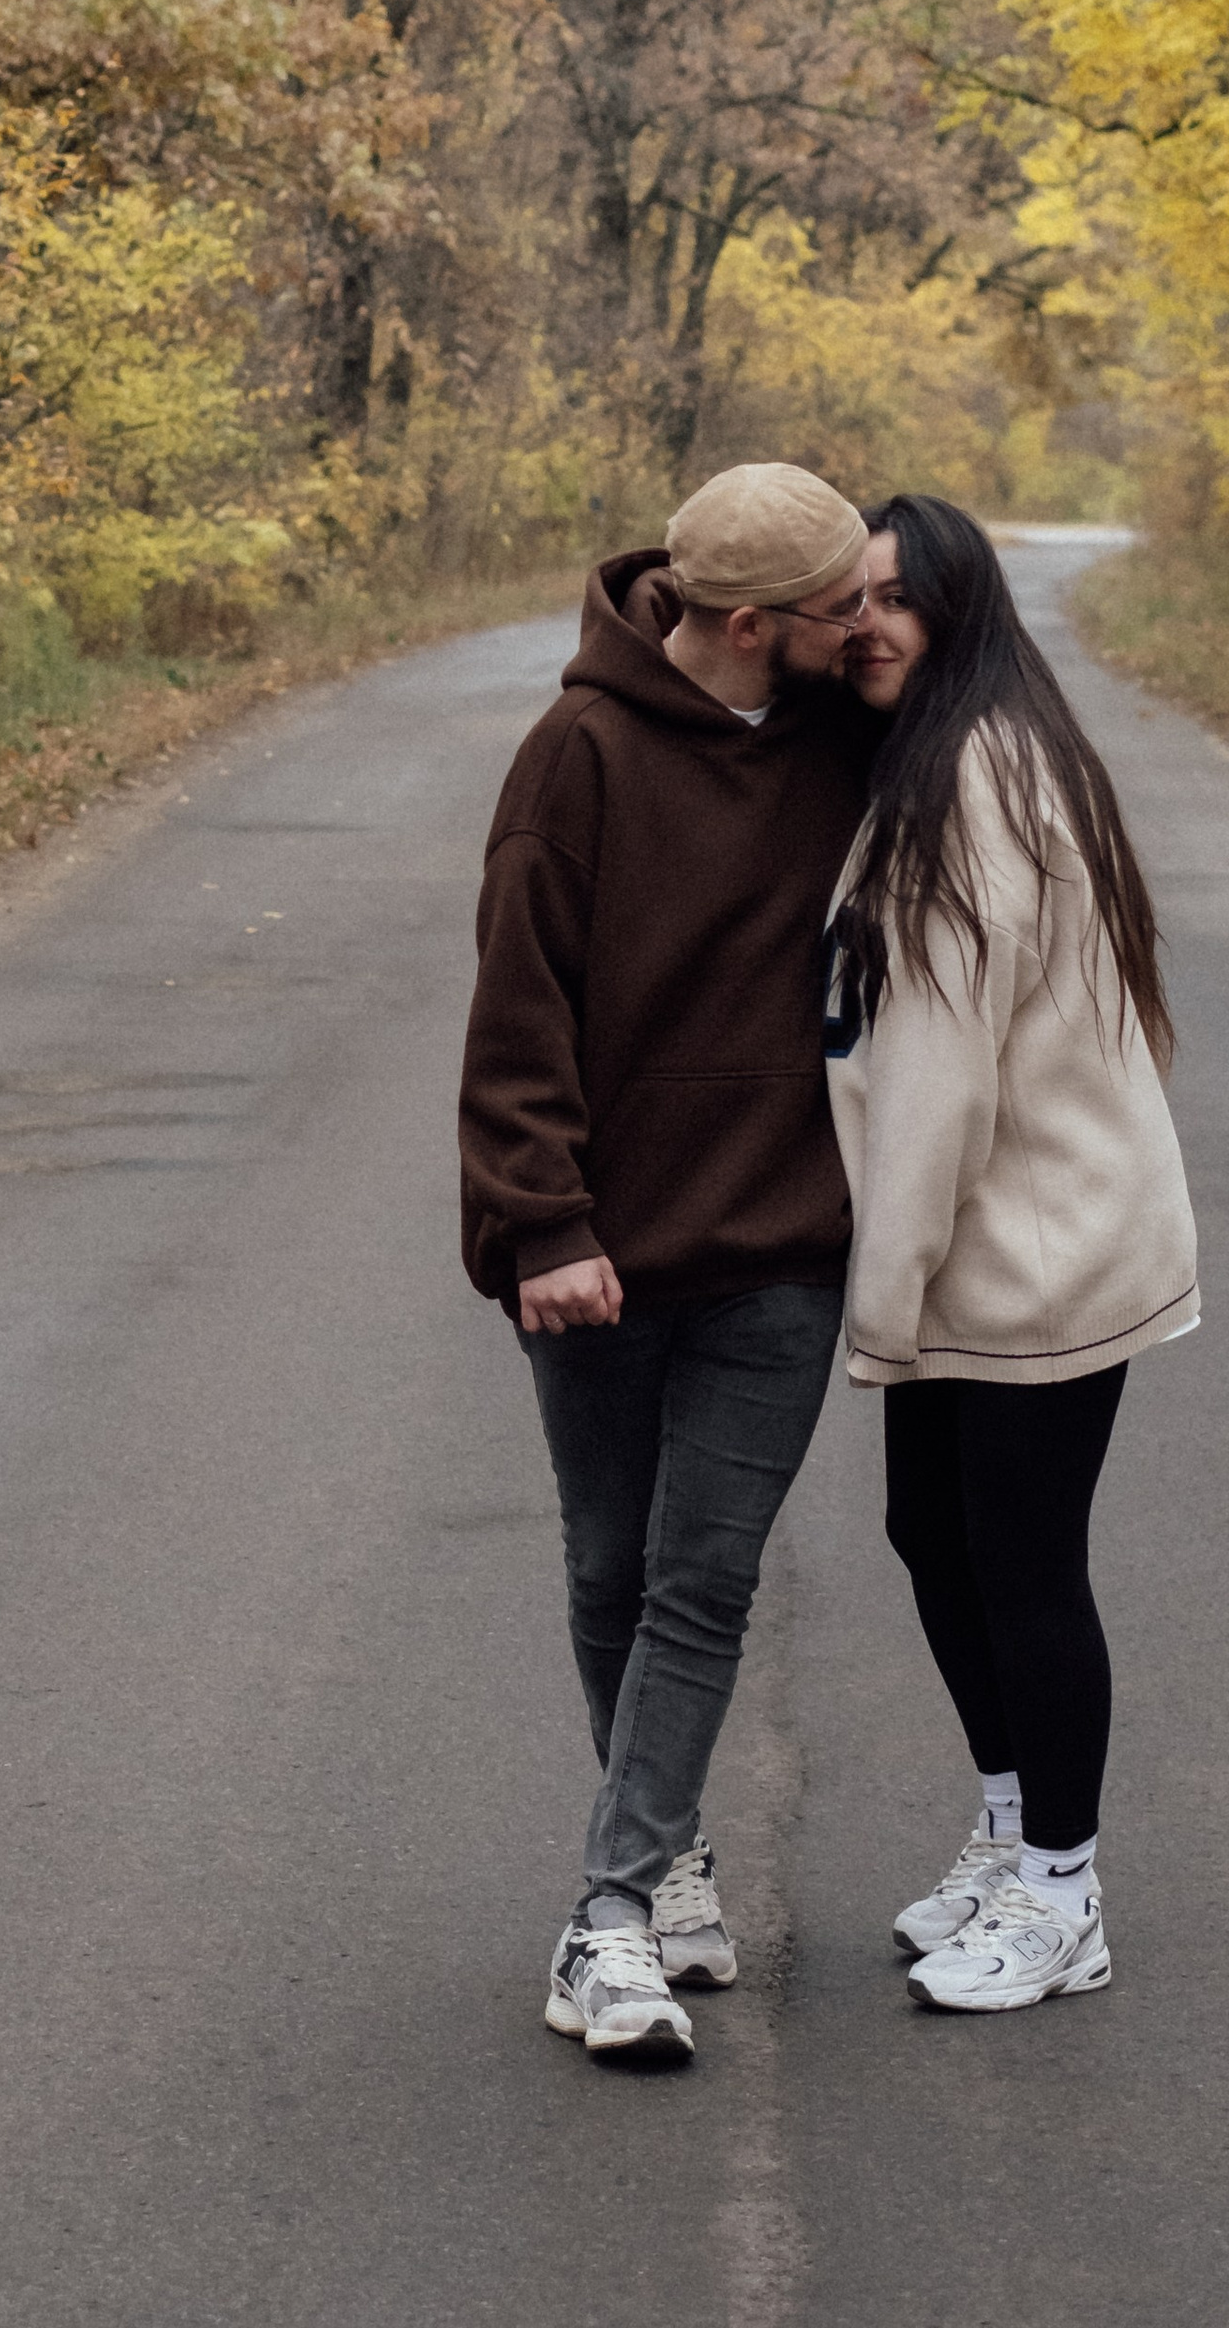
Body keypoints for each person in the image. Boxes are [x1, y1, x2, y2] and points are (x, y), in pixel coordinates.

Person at [460, 461, 879, 2063]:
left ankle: (611, 1911)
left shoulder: (853, 739)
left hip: (781, 1249)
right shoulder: (578, 755)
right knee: (608, 1571)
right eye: (842, 605)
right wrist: (545, 1221)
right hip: (603, 1258)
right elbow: (517, 1010)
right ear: (755, 621)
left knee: (703, 1581)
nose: (867, 625)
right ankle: (671, 1851)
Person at [825, 493, 1197, 2013]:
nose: (867, 624)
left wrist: (881, 1301)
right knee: (933, 1530)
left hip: (1034, 1253)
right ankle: (1006, 1829)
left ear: (960, 609)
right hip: (992, 1244)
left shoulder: (973, 777)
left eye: (898, 597)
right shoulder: (955, 750)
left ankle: (1063, 1890)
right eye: (850, 597)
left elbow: (938, 1074)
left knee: (1027, 1565)